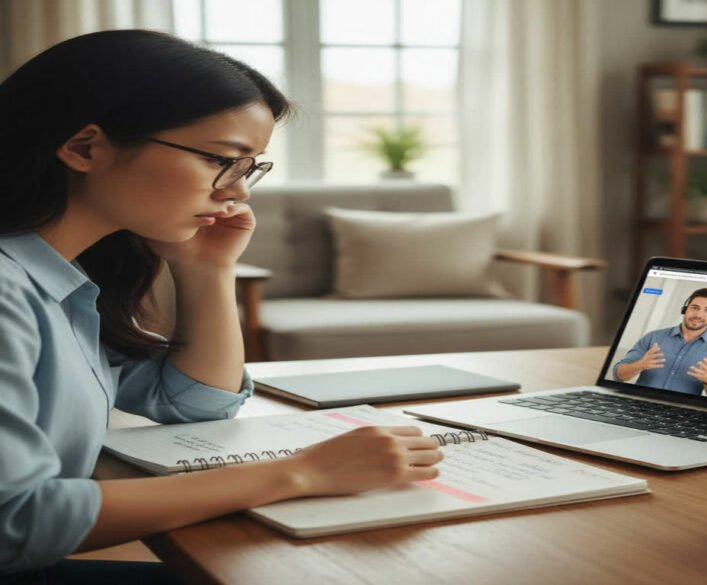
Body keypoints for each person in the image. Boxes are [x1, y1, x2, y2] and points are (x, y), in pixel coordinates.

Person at [0, 30, 443, 582]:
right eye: (223, 159)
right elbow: (16, 522)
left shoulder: (66, 280)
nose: (240, 191)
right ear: (85, 147)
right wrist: (300, 474)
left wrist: (206, 270)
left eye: (250, 167)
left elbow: (194, 403)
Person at [613, 287, 707, 397]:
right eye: (694, 307)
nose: (698, 314)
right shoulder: (653, 337)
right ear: (685, 309)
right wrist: (639, 365)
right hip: (640, 403)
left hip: (683, 411)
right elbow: (619, 375)